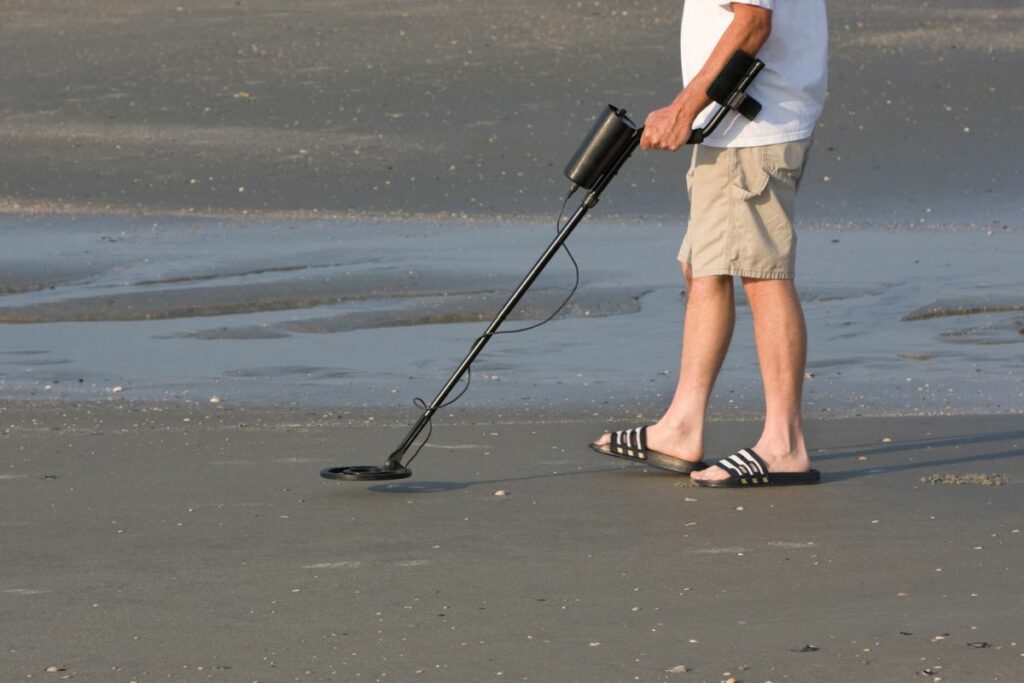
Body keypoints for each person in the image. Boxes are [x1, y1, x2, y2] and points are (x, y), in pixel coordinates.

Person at [591, 0, 828, 487]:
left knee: (762, 274)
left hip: (752, 129)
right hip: (737, 123)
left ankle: (784, 444)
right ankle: (681, 425)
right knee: (704, 266)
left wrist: (683, 107)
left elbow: (752, 21)